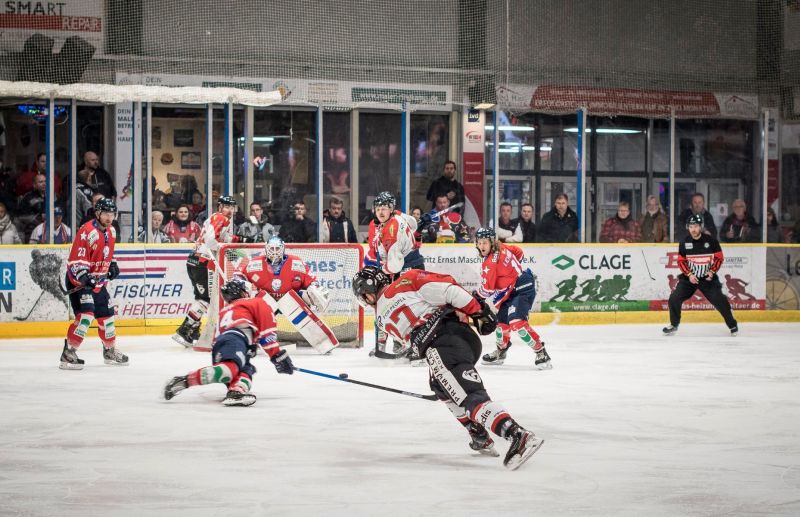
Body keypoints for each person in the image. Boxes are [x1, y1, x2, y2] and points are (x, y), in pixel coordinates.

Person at [352, 266, 544, 470]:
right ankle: (478, 435)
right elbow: (449, 290)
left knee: (469, 396)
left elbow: (416, 335)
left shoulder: (381, 318)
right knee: (439, 385)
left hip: (442, 345)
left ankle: (517, 435)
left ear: (367, 294)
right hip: (458, 339)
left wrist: (475, 311)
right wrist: (477, 311)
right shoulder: (407, 280)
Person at [163, 279, 295, 407]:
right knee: (230, 370)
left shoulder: (225, 311)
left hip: (225, 346)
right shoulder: (256, 302)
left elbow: (220, 340)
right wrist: (277, 355)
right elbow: (267, 332)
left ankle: (235, 393)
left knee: (246, 371)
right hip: (236, 340)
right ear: (243, 293)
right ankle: (185, 381)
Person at [60, 198, 128, 369]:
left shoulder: (111, 231)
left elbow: (108, 252)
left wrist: (112, 264)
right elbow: (76, 259)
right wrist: (84, 276)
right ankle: (68, 353)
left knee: (107, 317)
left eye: (112, 214)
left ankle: (109, 350)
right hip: (80, 283)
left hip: (98, 283)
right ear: (97, 213)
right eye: (106, 213)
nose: (109, 217)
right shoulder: (87, 231)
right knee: (86, 316)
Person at [474, 228, 551, 369]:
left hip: (522, 287)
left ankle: (541, 352)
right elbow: (518, 252)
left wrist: (475, 296)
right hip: (509, 290)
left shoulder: (489, 263)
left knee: (517, 323)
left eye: (485, 243)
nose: (482, 246)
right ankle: (501, 352)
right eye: (479, 243)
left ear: (491, 242)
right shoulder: (501, 246)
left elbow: (488, 290)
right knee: (501, 325)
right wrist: (510, 270)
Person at [365, 191, 425, 359]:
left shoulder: (391, 228)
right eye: (378, 208)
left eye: (385, 208)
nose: (381, 211)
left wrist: (381, 272)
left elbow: (394, 263)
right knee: (388, 302)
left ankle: (408, 343)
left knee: (404, 305)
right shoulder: (395, 216)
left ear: (391, 209)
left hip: (406, 266)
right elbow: (413, 222)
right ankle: (393, 342)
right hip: (402, 265)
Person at [173, 195, 239, 348]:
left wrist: (238, 239)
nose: (230, 210)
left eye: (232, 207)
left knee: (201, 297)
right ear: (220, 207)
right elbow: (211, 241)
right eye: (227, 206)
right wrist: (224, 248)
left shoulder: (216, 218)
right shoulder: (221, 218)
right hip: (202, 262)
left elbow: (223, 238)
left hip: (194, 260)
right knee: (205, 299)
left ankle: (194, 331)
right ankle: (184, 331)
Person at [663, 214, 738, 337]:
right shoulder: (684, 242)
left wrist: (712, 271)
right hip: (689, 279)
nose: (693, 229)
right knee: (674, 298)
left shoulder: (712, 241)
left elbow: (719, 258)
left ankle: (732, 324)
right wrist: (689, 274)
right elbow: (681, 261)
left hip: (708, 280)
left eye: (696, 226)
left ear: (701, 227)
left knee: (720, 301)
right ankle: (674, 325)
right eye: (691, 226)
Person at [233, 236, 330, 310]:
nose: (275, 252)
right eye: (272, 249)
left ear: (283, 248)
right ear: (266, 248)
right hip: (264, 301)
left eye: (277, 249)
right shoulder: (255, 263)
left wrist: (315, 288)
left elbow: (312, 281)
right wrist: (238, 281)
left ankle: (312, 322)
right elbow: (239, 275)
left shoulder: (296, 262)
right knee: (241, 288)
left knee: (314, 291)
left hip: (291, 302)